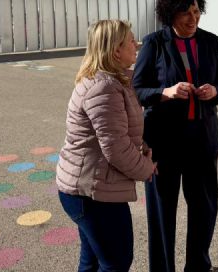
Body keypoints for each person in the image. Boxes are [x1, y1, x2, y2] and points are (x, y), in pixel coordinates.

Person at [133, 0, 218, 272]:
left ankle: (198, 266)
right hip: (164, 143)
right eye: (186, 12)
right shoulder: (154, 42)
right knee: (163, 212)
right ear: (170, 13)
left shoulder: (211, 41)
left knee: (204, 209)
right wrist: (166, 92)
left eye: (197, 11)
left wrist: (215, 91)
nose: (193, 19)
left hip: (203, 140)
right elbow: (137, 89)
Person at [56, 20, 156, 272]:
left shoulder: (114, 82)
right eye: (131, 41)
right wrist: (147, 168)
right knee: (116, 262)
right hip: (92, 194)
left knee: (92, 261)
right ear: (115, 51)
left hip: (91, 189)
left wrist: (140, 145)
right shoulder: (104, 88)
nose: (137, 45)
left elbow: (118, 132)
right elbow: (115, 149)